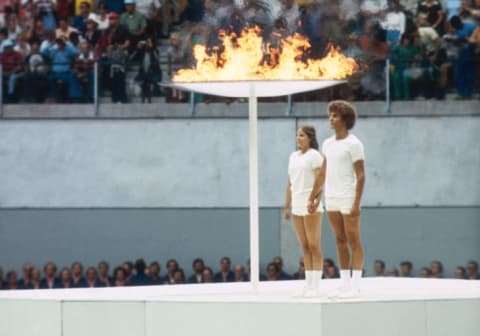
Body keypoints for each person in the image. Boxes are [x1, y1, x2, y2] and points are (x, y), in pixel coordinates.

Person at [322, 100, 366, 297]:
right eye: (330, 115)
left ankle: (356, 285)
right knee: (339, 240)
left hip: (348, 196)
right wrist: (316, 195)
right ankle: (345, 282)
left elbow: (361, 175)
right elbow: (323, 171)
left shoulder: (354, 144)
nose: (331, 119)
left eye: (335, 116)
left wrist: (356, 203)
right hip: (330, 197)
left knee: (353, 240)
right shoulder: (327, 143)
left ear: (345, 120)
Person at [284, 125, 325, 297]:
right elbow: (290, 183)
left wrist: (315, 199)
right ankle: (308, 284)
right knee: (305, 246)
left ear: (310, 137)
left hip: (311, 205)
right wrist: (287, 205)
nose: (298, 138)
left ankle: (316, 285)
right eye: (297, 135)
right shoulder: (293, 157)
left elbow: (320, 179)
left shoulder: (315, 155)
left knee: (314, 245)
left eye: (301, 135)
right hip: (297, 205)